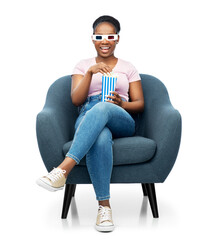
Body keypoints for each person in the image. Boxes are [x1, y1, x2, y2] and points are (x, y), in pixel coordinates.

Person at [36, 15, 144, 232]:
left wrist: (122, 104)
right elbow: (76, 100)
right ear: (93, 39)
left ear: (117, 39)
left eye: (110, 36)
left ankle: (63, 170)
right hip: (88, 114)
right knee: (100, 136)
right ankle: (104, 208)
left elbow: (140, 103)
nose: (105, 41)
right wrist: (89, 73)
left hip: (120, 116)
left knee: (102, 107)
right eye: (99, 36)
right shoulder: (83, 65)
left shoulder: (128, 67)